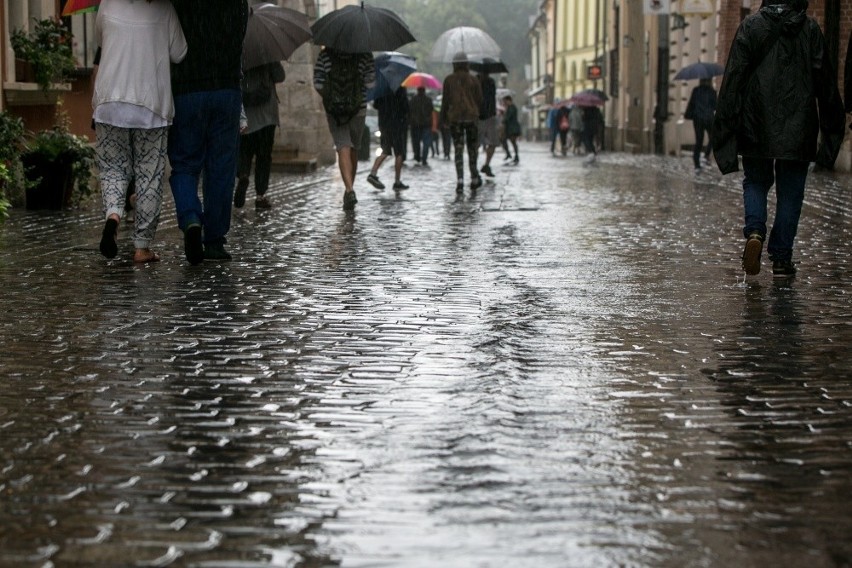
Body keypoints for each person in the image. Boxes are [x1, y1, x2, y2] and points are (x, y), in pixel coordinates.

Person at [713, 0, 845, 278]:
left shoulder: (750, 26)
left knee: (756, 182)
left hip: (755, 123)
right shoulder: (809, 29)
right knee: (791, 193)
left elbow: (734, 79)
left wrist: (725, 130)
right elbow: (826, 82)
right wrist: (832, 132)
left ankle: (755, 232)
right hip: (799, 127)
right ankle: (782, 260)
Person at [94, 0, 187, 264]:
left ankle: (113, 215)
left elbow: (101, 40)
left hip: (110, 101)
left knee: (113, 168)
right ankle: (142, 246)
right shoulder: (165, 8)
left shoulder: (108, 4)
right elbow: (180, 53)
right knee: (149, 174)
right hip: (151, 106)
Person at [168, 0, 248, 264]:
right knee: (222, 167)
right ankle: (214, 241)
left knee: (185, 163)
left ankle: (190, 217)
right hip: (226, 89)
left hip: (187, 88)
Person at [314, 47, 375, 211]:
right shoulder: (364, 53)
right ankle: (350, 189)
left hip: (334, 111)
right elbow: (370, 83)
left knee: (343, 147)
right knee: (354, 148)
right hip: (358, 109)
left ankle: (349, 189)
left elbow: (318, 83)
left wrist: (332, 97)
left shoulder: (325, 55)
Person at [234, 62, 285, 210]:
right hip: (267, 116)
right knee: (264, 156)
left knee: (244, 152)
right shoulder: (267, 53)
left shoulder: (242, 54)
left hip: (246, 115)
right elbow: (280, 76)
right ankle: (260, 196)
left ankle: (243, 175)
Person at [440, 52, 483, 193]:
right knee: (472, 149)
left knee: (458, 150)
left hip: (456, 119)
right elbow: (479, 100)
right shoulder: (474, 80)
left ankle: (460, 180)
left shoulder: (449, 80)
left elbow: (445, 101)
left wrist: (443, 119)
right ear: (467, 64)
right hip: (472, 118)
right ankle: (474, 177)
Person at [366, 86, 410, 191]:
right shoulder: (400, 88)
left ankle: (373, 173)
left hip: (384, 124)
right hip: (397, 124)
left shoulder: (382, 88)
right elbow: (406, 108)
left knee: (385, 150)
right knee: (399, 153)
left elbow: (376, 105)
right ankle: (397, 182)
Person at [684, 77, 717, 173]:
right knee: (713, 137)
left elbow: (691, 104)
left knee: (699, 140)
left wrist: (688, 114)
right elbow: (715, 105)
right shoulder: (712, 91)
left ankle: (697, 164)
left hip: (697, 118)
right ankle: (706, 154)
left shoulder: (696, 90)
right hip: (709, 118)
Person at [477, 69, 498, 176]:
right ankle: (475, 167)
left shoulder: (491, 82)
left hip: (489, 115)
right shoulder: (475, 81)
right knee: (475, 144)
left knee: (493, 143)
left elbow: (491, 97)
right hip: (479, 116)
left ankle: (486, 165)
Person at [409, 86, 433, 167]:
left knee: (416, 143)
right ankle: (424, 158)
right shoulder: (428, 100)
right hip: (425, 124)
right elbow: (431, 111)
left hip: (416, 125)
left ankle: (418, 156)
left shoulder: (413, 100)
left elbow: (409, 111)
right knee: (426, 143)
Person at [502, 95, 521, 165]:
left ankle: (515, 156)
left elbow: (508, 117)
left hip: (513, 128)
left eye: (505, 101)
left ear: (508, 100)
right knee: (504, 140)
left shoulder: (512, 107)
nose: (504, 103)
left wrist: (504, 118)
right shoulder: (509, 107)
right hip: (509, 128)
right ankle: (508, 154)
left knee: (513, 142)